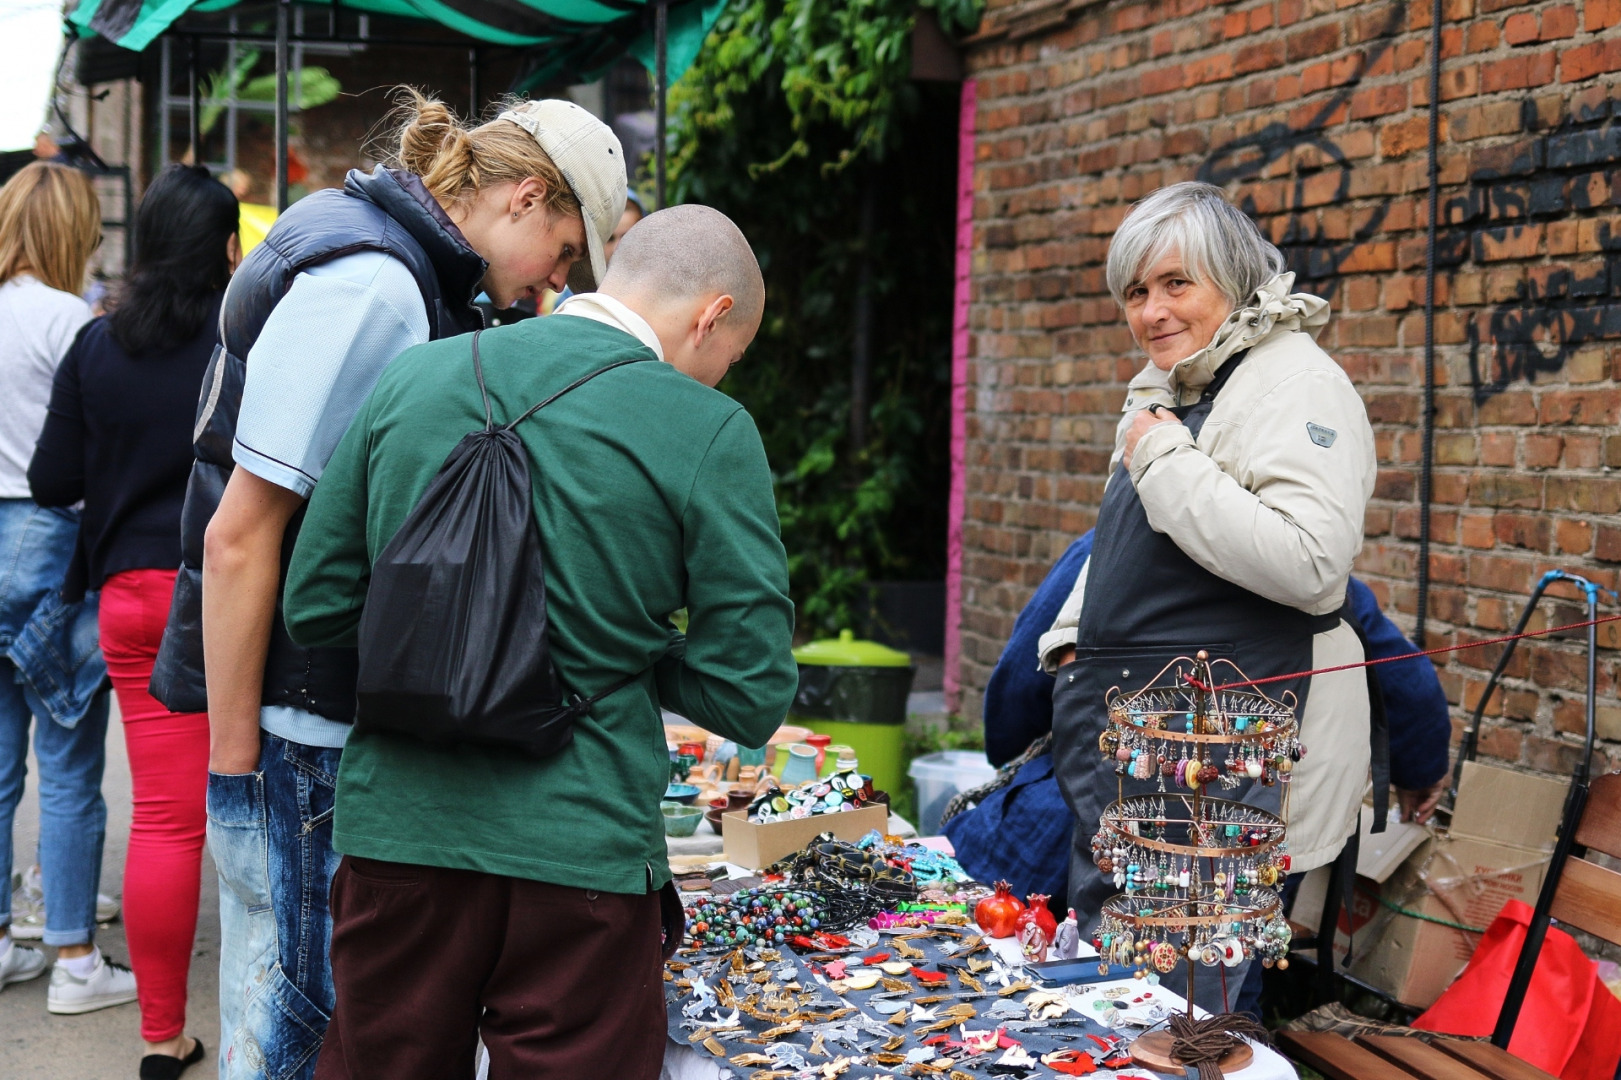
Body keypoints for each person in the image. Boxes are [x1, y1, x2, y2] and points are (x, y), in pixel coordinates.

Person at [145, 92, 630, 1080]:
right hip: (303, 734)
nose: (557, 282)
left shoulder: (381, 249)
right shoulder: (378, 283)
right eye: (568, 253)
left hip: (302, 724)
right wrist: (235, 787)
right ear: (525, 198)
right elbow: (241, 537)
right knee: (300, 1021)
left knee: (279, 1014)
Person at [282, 204, 795, 1079]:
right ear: (712, 316)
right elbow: (747, 692)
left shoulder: (413, 379)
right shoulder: (708, 429)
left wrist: (450, 637)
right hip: (581, 847)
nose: (717, 378)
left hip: (402, 830)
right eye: (729, 357)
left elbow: (317, 607)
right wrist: (626, 649)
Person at [1039, 181, 1377, 1012]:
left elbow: (1309, 561)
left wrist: (1162, 458)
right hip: (1144, 748)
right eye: (1135, 291)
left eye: (1174, 284)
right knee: (1135, 994)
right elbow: (1130, 542)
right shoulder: (1179, 388)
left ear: (1232, 279)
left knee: (1196, 1003)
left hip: (1231, 759)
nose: (1150, 311)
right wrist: (1072, 642)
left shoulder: (1295, 388)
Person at [30, 163, 240, 1079]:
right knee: (255, 810)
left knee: (163, 819)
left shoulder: (96, 345)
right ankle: (270, 1026)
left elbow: (51, 482)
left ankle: (162, 1036)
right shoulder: (246, 346)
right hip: (225, 595)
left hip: (126, 600)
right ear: (227, 248)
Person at [0, 161, 127, 1016]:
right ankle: (75, 956)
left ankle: (4, 942)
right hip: (52, 542)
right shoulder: (72, 323)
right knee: (72, 762)